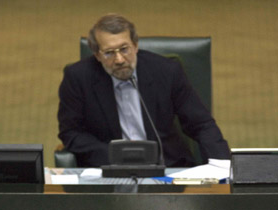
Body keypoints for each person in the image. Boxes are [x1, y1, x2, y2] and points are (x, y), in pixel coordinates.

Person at [57, 14, 230, 168]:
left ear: (136, 45)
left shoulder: (167, 71)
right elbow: (71, 132)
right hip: (109, 169)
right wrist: (115, 155)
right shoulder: (78, 78)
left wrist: (223, 165)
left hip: (166, 167)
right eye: (109, 53)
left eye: (124, 49)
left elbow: (201, 124)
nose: (119, 60)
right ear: (97, 55)